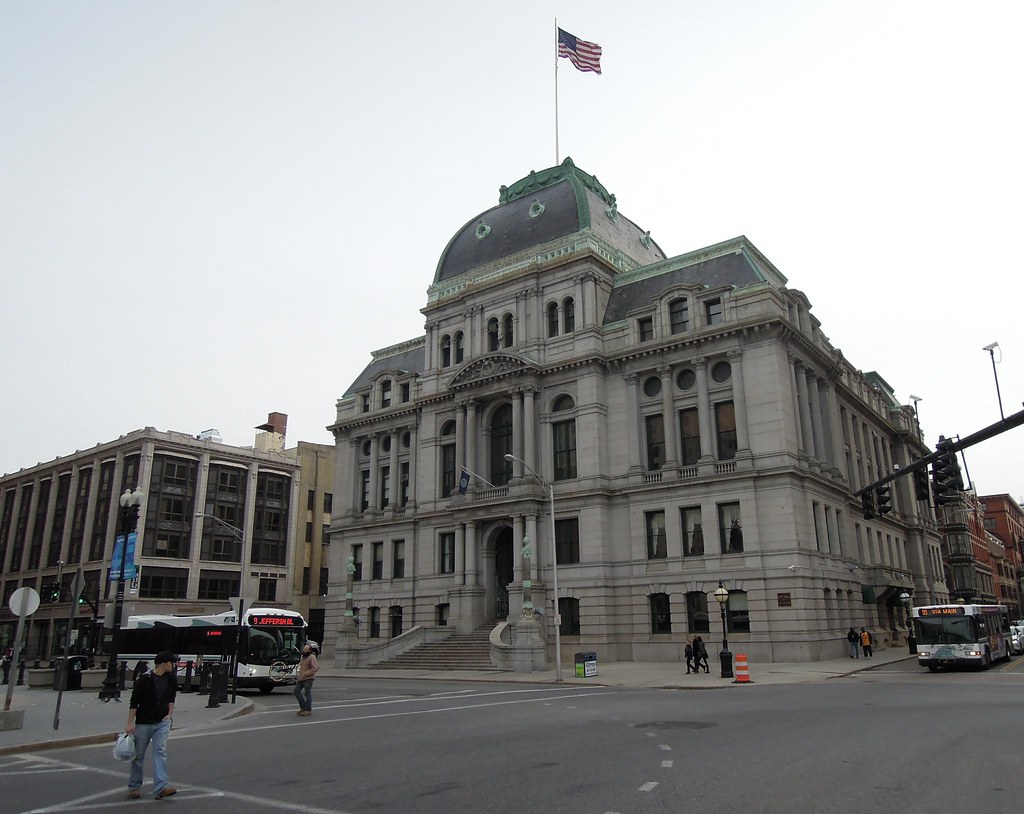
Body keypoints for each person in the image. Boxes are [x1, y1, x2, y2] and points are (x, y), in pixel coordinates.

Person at [125, 651, 178, 800]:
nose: (174, 665)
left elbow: (172, 697)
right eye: (172, 662)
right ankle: (134, 786)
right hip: (144, 722)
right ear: (164, 663)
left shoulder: (171, 678)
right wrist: (130, 723)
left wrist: (170, 714)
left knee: (160, 752)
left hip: (162, 722)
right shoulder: (145, 680)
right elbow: (134, 702)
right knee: (139, 755)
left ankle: (161, 786)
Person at [294, 641, 320, 716]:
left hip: (309, 678)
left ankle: (308, 709)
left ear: (309, 650)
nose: (304, 651)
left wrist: (306, 673)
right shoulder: (303, 657)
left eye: (306, 650)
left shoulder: (312, 657)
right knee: (296, 690)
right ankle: (303, 707)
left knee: (307, 693)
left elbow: (315, 668)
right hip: (301, 678)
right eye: (304, 649)